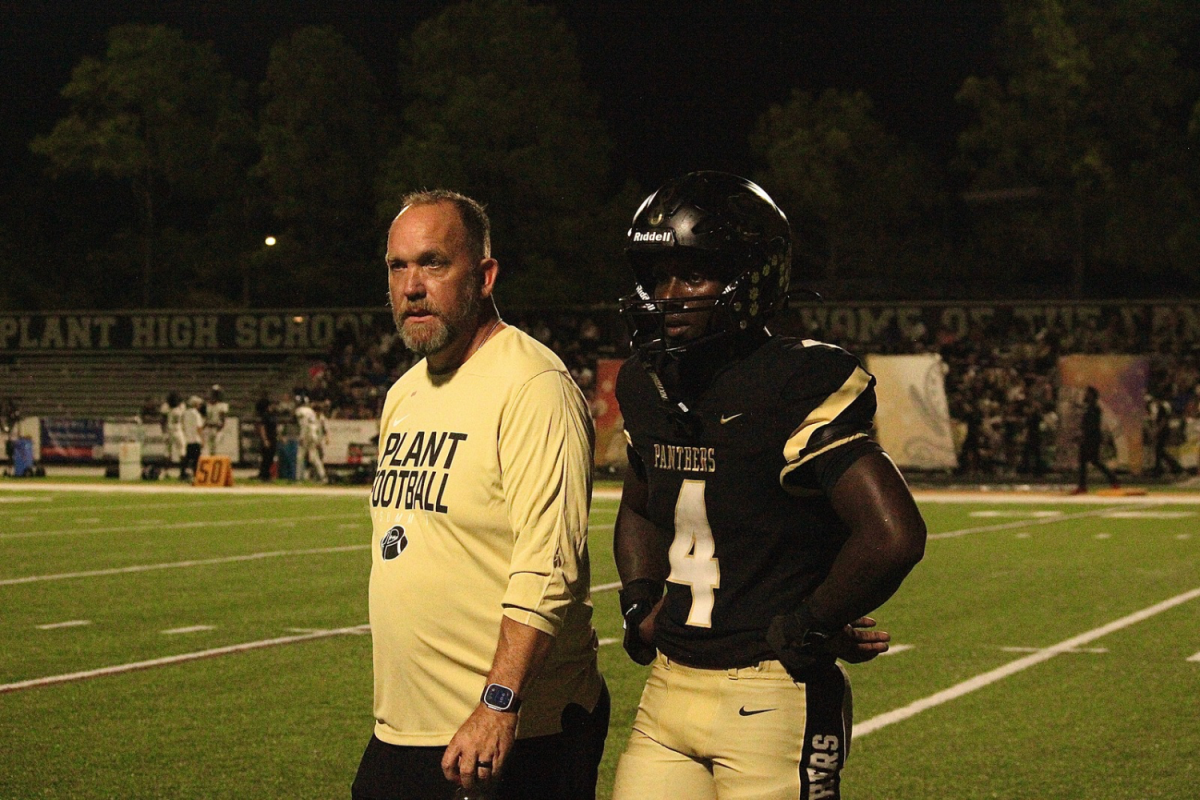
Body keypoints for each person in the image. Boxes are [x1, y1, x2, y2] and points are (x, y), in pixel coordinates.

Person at [609, 172, 927, 800]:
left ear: (751, 279)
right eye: (657, 276)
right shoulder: (647, 381)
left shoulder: (796, 378)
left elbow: (892, 535)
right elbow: (641, 508)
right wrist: (638, 602)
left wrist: (810, 623)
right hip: (667, 693)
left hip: (769, 695)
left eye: (692, 275)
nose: (668, 295)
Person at [352, 189, 607, 800]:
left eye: (434, 263)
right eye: (398, 266)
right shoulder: (404, 394)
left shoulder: (533, 385)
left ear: (485, 275)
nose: (412, 285)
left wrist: (499, 705)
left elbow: (549, 566)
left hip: (511, 732)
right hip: (408, 728)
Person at [1073, 386, 1119, 494]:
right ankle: (1082, 486)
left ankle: (1113, 479)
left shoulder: (1095, 409)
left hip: (1092, 439)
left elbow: (1092, 426)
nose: (1085, 395)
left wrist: (1085, 437)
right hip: (1088, 438)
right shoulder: (1089, 408)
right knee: (1084, 461)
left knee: (1094, 461)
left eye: (1087, 393)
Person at [294, 394, 327, 483]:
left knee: (300, 457)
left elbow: (304, 424)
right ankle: (322, 476)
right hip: (313, 434)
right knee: (314, 457)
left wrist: (302, 436)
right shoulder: (311, 411)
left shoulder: (300, 411)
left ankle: (298, 478)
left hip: (307, 434)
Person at [161, 392, 186, 478]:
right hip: (178, 430)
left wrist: (164, 432)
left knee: (167, 452)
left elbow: (163, 421)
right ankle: (182, 472)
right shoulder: (181, 406)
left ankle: (166, 472)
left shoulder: (166, 407)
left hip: (169, 430)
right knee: (182, 451)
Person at [255, 389, 278, 481]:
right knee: (266, 457)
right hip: (268, 438)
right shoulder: (266, 415)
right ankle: (264, 475)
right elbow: (262, 427)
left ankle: (265, 473)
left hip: (273, 437)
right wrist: (265, 440)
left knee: (270, 457)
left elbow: (275, 428)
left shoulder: (273, 415)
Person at [181, 395, 204, 480]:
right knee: (196, 460)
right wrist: (202, 439)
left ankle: (183, 474)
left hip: (188, 439)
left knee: (187, 459)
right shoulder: (196, 414)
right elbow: (199, 427)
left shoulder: (186, 413)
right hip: (196, 439)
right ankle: (196, 474)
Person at [203, 384, 230, 457]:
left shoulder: (222, 405)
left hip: (217, 428)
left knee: (216, 447)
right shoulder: (207, 405)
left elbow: (223, 418)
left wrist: (220, 428)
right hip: (209, 427)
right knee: (209, 448)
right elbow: (205, 418)